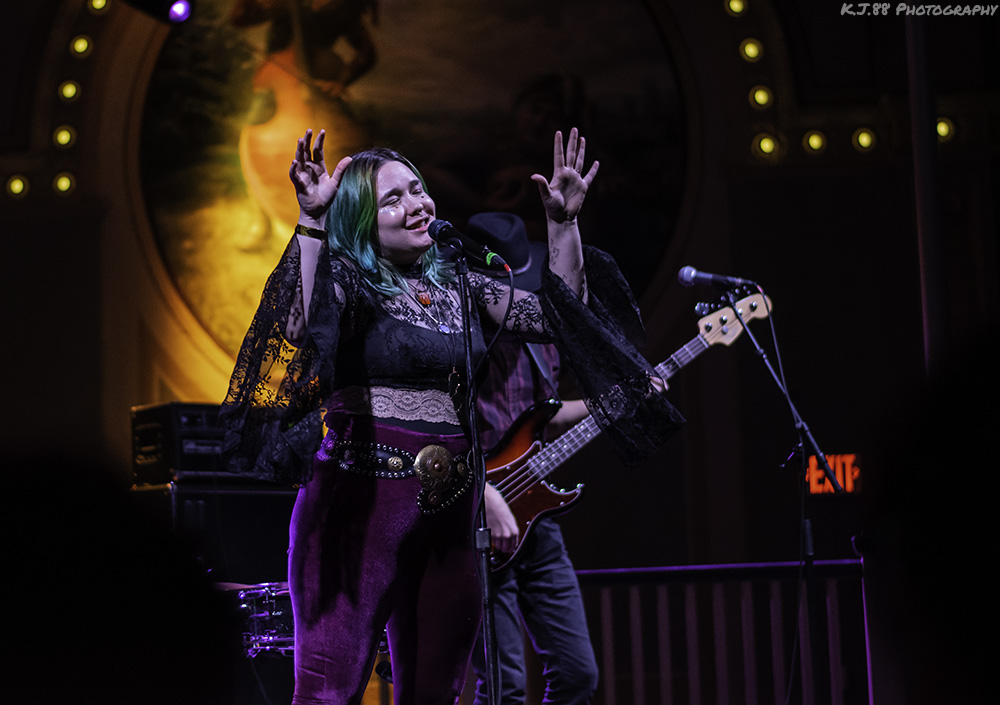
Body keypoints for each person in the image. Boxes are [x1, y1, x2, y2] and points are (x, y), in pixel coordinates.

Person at [220, 126, 683, 705]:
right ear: (362, 218)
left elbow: (557, 319)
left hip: (452, 508)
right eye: (394, 198)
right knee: (327, 694)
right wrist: (313, 220)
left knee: (437, 692)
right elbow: (303, 328)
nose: (417, 205)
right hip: (358, 504)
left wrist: (563, 225)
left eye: (417, 190)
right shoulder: (346, 279)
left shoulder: (460, 282)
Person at [464, 211, 600, 705]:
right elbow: (431, 434)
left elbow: (543, 413)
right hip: (476, 523)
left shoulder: (539, 338)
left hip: (536, 524)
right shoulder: (459, 341)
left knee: (578, 675)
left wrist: (618, 401)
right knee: (505, 691)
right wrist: (483, 491)